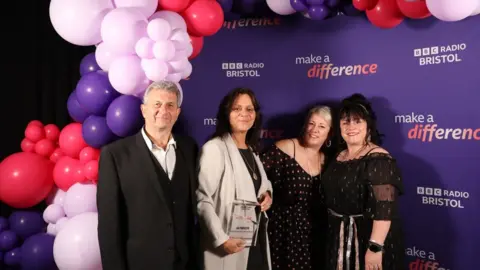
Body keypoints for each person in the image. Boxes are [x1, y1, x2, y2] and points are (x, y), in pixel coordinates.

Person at [96, 81, 200, 270]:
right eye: (157, 104)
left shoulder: (189, 147)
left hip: (186, 263)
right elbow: (109, 226)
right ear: (144, 110)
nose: (163, 110)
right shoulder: (115, 154)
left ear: (177, 113)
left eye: (170, 105)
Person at [321, 93, 404, 270]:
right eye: (345, 121)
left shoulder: (379, 160)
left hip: (367, 239)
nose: (351, 127)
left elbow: (385, 207)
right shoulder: (338, 156)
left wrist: (375, 247)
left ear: (369, 125)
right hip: (338, 238)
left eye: (357, 121)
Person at [196, 87, 273, 270]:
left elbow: (262, 184)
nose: (244, 114)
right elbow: (202, 199)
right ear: (227, 113)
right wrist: (221, 239)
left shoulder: (252, 150)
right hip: (228, 244)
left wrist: (267, 195)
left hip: (254, 240)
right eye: (237, 108)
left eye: (249, 109)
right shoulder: (215, 148)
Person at [261, 105, 333, 270]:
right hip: (283, 234)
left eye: (321, 126)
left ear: (330, 133)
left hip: (316, 236)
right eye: (311, 124)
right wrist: (265, 193)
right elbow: (254, 177)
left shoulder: (329, 160)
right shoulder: (285, 148)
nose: (314, 130)